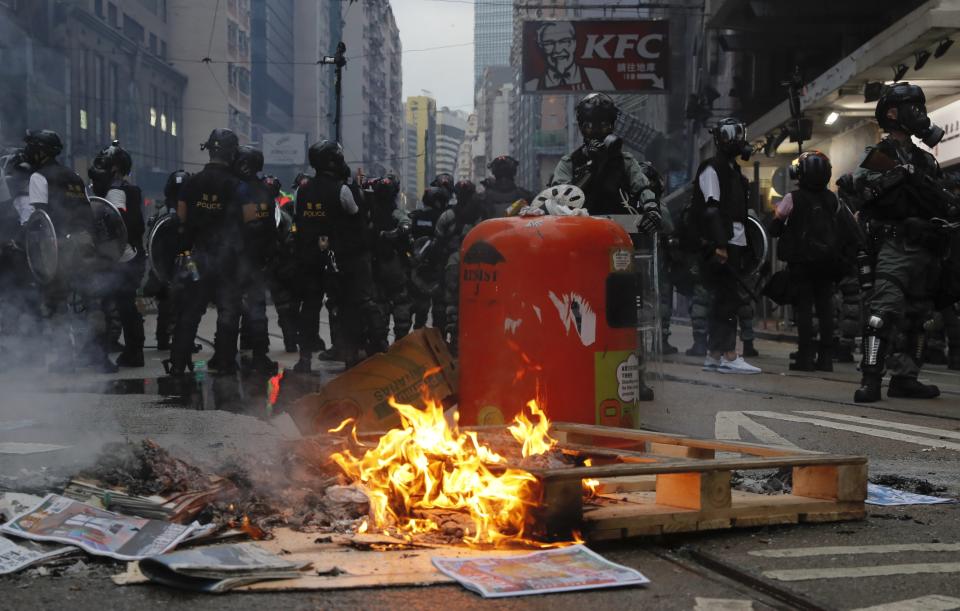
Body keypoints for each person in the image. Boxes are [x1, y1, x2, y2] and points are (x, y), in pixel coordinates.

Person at [852, 82, 959, 402]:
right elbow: (862, 193)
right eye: (914, 107)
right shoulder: (879, 155)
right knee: (882, 313)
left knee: (921, 318)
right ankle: (871, 378)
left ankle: (906, 377)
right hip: (894, 246)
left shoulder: (925, 160)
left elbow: (944, 203)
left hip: (925, 248)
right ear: (894, 113)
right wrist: (900, 175)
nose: (921, 114)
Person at [552, 93, 662, 399]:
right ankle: (577, 371)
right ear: (581, 127)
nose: (596, 130)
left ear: (612, 125)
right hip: (581, 249)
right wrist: (593, 166)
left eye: (603, 124)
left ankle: (633, 377)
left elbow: (643, 189)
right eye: (590, 125)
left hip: (620, 249)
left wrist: (651, 210)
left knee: (627, 314)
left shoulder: (625, 161)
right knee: (580, 312)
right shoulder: (570, 162)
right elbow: (556, 198)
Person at [25, 129, 115, 372]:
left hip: (57, 246)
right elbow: (89, 211)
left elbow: (39, 218)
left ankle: (64, 363)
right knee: (91, 301)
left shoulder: (38, 177)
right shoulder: (74, 177)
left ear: (41, 151)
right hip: (84, 242)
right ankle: (99, 358)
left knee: (56, 301)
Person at [166, 128, 243, 376]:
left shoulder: (191, 182)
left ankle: (178, 363)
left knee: (189, 312)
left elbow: (180, 219)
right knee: (228, 312)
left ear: (209, 150)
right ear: (232, 153)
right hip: (228, 260)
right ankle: (225, 363)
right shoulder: (237, 186)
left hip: (196, 259)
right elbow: (249, 222)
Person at [771, 151, 856, 371]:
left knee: (804, 310)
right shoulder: (832, 198)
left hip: (801, 263)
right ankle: (826, 358)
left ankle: (805, 357)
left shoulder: (792, 198)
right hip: (827, 263)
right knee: (826, 309)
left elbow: (776, 225)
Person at [689, 118, 761, 374]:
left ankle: (715, 354)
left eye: (739, 134)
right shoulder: (713, 168)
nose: (738, 140)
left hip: (735, 242)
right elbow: (711, 209)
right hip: (723, 244)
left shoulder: (733, 172)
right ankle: (729, 355)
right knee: (726, 301)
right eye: (732, 135)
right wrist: (720, 244)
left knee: (725, 300)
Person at [292, 140, 367, 372]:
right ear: (334, 161)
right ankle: (350, 357)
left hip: (309, 257)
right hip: (339, 259)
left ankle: (304, 358)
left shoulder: (302, 190)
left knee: (310, 307)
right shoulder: (342, 190)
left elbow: (298, 219)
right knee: (345, 306)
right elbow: (357, 214)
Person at [88, 140, 146, 368]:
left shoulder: (118, 192)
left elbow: (119, 226)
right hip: (119, 257)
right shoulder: (112, 190)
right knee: (122, 305)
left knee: (110, 305)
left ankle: (105, 355)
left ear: (116, 169)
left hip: (121, 257)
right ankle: (131, 351)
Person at [233, 145, 278, 374]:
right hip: (253, 259)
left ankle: (229, 355)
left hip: (237, 258)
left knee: (232, 307)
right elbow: (268, 227)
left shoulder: (237, 189)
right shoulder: (260, 190)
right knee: (256, 307)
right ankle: (259, 355)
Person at [437, 179, 485, 353]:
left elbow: (438, 239)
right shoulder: (482, 216)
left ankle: (455, 338)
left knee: (452, 299)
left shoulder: (448, 215)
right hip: (478, 261)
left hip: (454, 261)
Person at [368, 175, 413, 352]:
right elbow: (407, 226)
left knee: (380, 306)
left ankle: (381, 344)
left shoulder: (370, 213)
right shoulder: (392, 214)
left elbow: (406, 226)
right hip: (388, 266)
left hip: (379, 266)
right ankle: (392, 345)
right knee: (397, 304)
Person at [152, 170, 190, 351]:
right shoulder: (184, 210)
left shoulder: (162, 209)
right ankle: (178, 340)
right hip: (176, 261)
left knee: (168, 302)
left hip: (166, 262)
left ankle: (164, 338)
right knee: (181, 303)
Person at [524, 21, 615, 92]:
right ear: (542, 47)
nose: (557, 50)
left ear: (574, 44)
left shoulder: (596, 76)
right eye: (549, 43)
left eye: (564, 41)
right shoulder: (531, 86)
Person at [409, 186, 450, 331]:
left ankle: (418, 339)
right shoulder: (444, 217)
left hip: (420, 267)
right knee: (439, 309)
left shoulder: (417, 217)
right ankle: (439, 340)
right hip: (439, 267)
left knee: (420, 308)